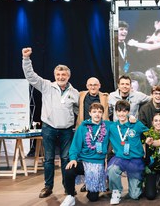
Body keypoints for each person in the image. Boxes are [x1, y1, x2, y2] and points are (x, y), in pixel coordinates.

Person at [21, 47, 80, 198]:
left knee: (67, 159)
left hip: (67, 130)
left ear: (69, 76)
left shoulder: (75, 93)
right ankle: (48, 187)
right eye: (58, 74)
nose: (61, 77)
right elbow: (31, 76)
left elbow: (79, 111)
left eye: (64, 74)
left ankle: (68, 188)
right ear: (55, 75)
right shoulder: (46, 85)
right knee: (48, 159)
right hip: (49, 128)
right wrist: (26, 59)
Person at [61, 103, 110, 206]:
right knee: (69, 169)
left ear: (102, 114)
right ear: (89, 113)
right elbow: (75, 145)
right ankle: (70, 196)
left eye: (100, 112)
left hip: (97, 165)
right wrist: (73, 159)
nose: (97, 114)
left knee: (93, 198)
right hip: (83, 162)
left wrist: (131, 119)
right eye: (94, 112)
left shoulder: (107, 125)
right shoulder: (83, 127)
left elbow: (121, 124)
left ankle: (90, 186)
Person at [107, 100, 149, 204]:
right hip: (120, 158)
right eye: (119, 111)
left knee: (134, 196)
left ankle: (138, 185)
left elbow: (149, 132)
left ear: (128, 112)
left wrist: (150, 138)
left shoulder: (136, 124)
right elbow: (96, 123)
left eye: (124, 111)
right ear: (116, 112)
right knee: (112, 170)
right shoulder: (112, 126)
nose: (121, 114)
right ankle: (116, 191)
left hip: (135, 159)